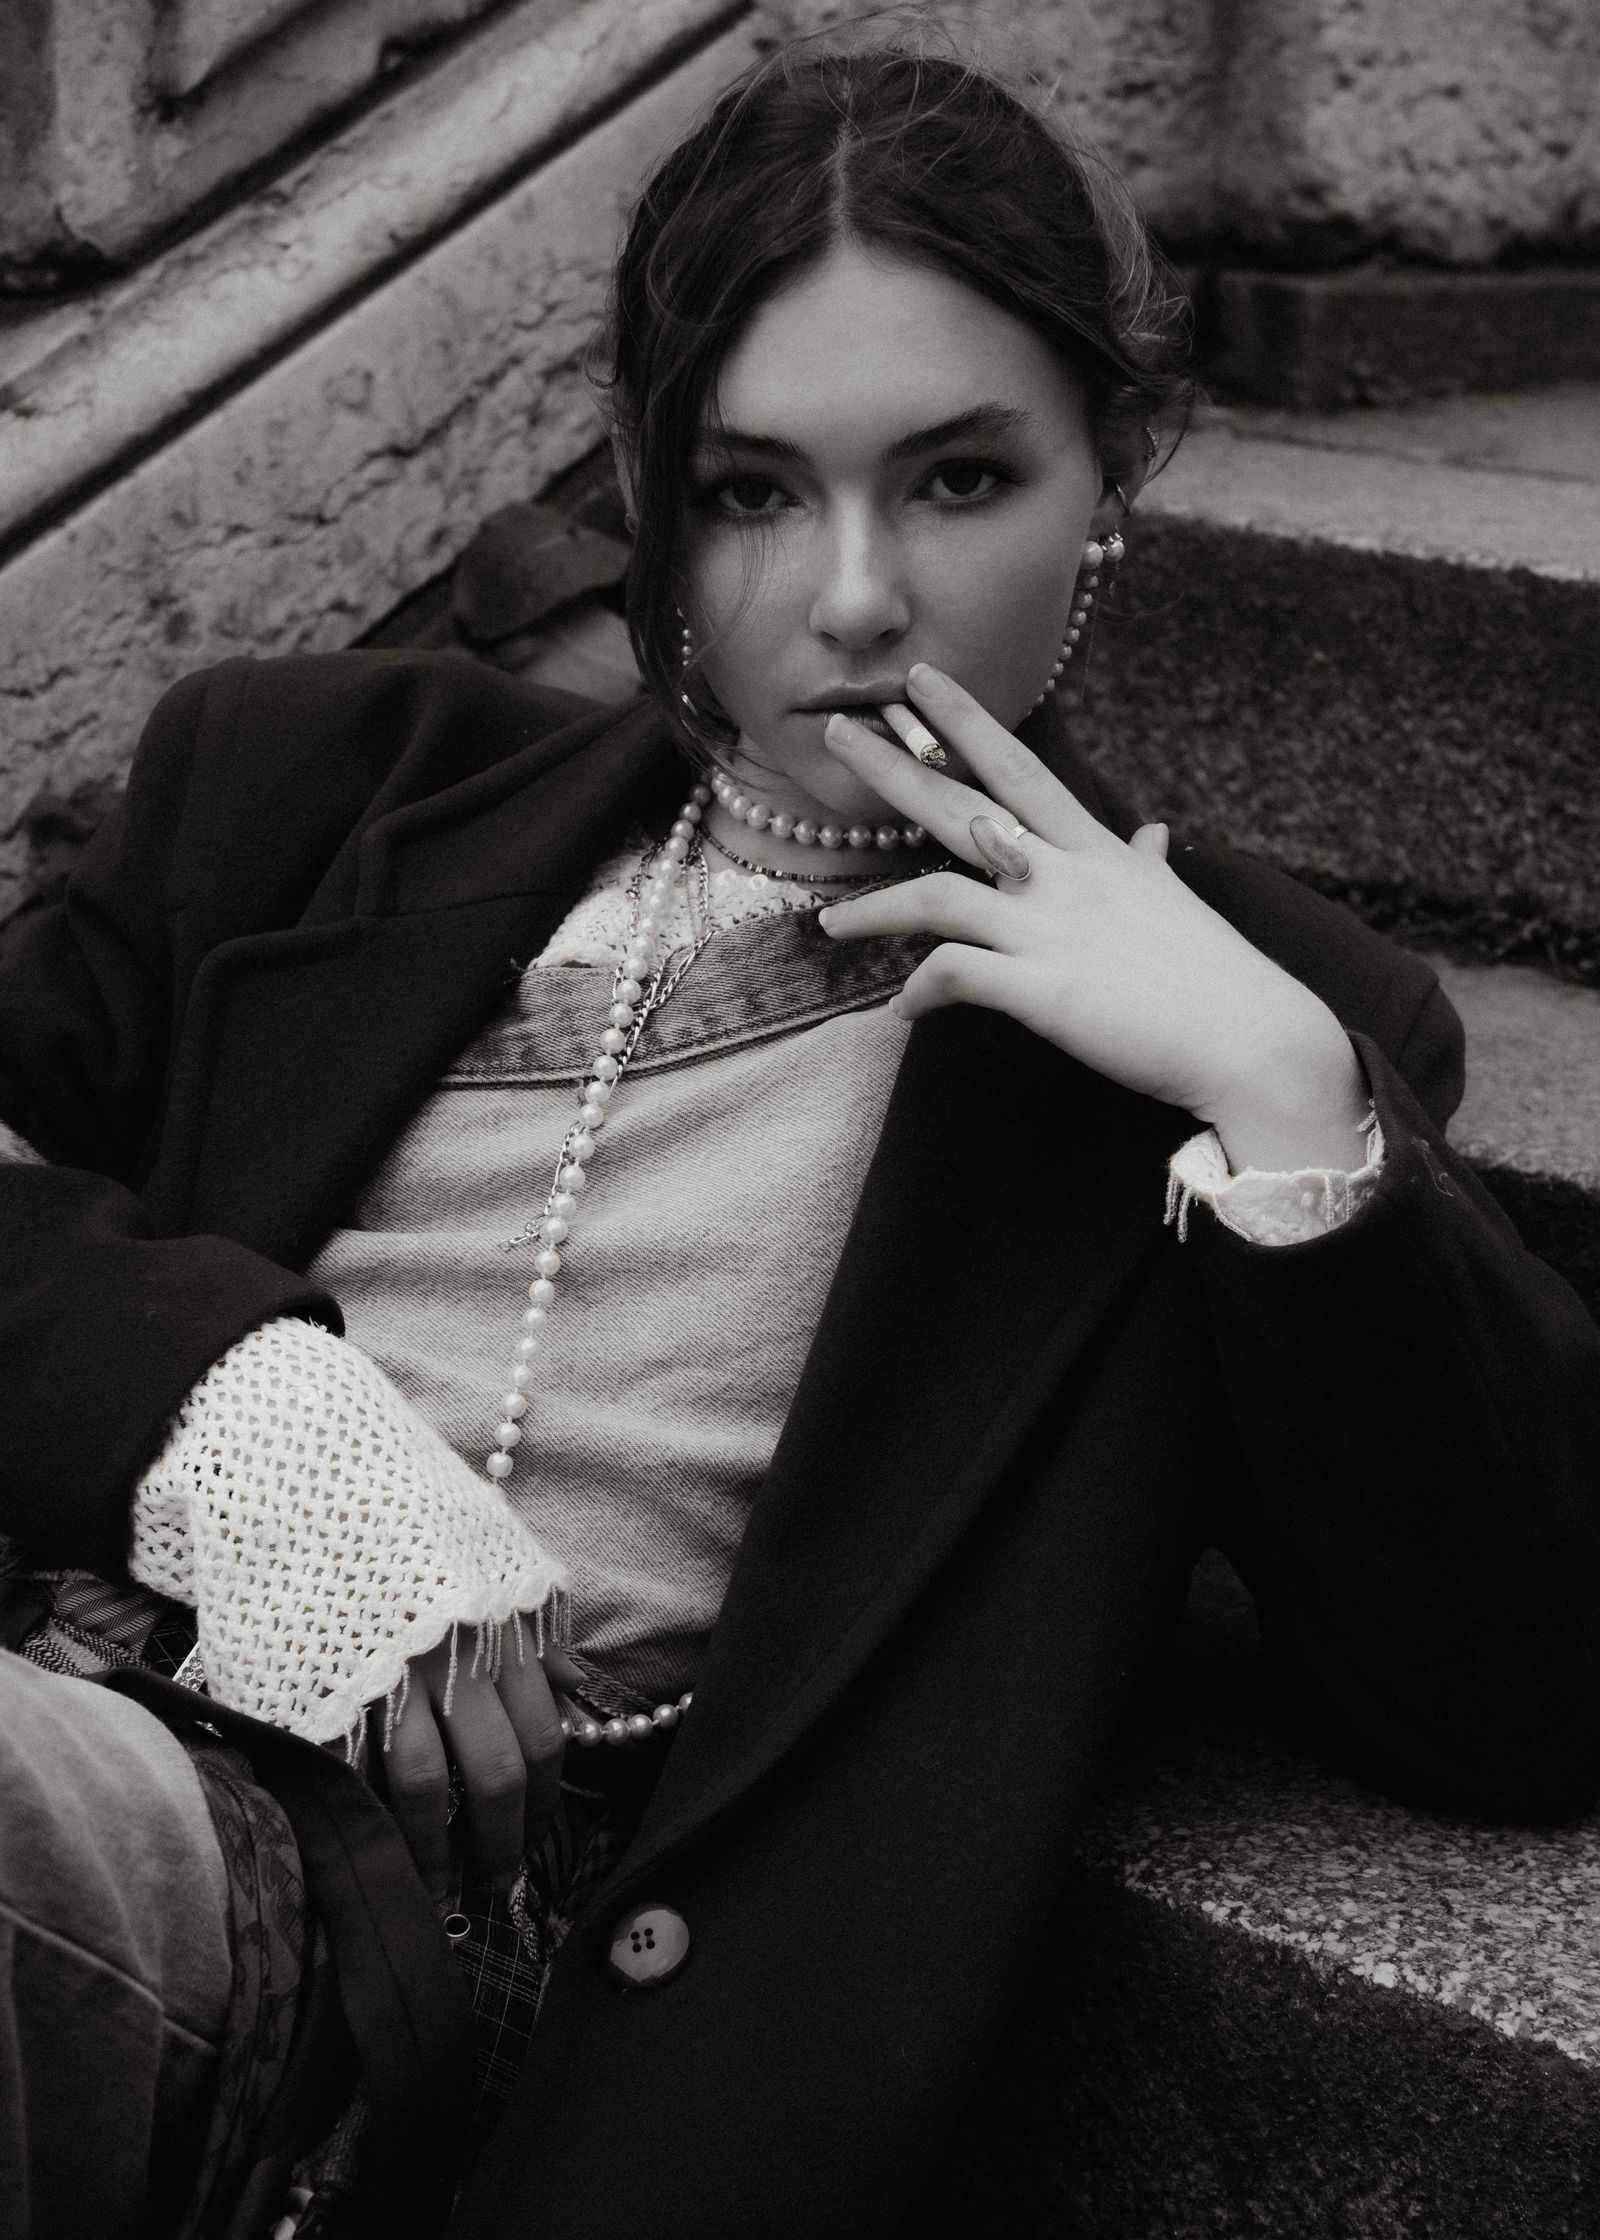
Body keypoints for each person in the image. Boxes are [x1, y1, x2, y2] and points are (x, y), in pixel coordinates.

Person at [4, 34, 1600, 2240]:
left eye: (956, 480)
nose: (849, 598)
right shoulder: (300, 785)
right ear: (652, 496)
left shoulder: (1250, 1011)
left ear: (1109, 472)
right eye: (753, 490)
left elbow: (1512, 1696)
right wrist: (220, 1397)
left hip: (392, 1962)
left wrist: (1284, 1110)